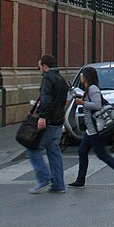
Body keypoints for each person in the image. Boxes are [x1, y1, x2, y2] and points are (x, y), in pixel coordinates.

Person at [68, 66, 114, 190]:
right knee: (82, 151)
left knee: (102, 155)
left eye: (82, 75)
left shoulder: (93, 88)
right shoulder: (88, 89)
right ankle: (80, 180)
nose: (81, 77)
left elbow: (97, 105)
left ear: (87, 77)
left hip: (95, 129)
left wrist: (82, 103)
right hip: (90, 129)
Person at [27, 54, 69, 194]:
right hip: (58, 121)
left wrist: (42, 116)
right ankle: (58, 184)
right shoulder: (61, 80)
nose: (39, 70)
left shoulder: (47, 79)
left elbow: (46, 98)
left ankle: (44, 178)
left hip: (49, 121)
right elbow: (63, 101)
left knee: (33, 149)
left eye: (40, 67)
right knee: (54, 151)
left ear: (45, 66)